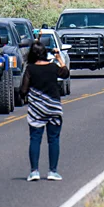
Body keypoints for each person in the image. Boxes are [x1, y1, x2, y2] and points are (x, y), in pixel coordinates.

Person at [20, 40, 69, 181]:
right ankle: (53, 171)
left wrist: (25, 96)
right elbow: (65, 73)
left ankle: (34, 171)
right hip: (54, 108)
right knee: (53, 139)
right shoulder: (53, 67)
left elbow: (23, 90)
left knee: (35, 139)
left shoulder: (30, 69)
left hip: (37, 110)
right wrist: (59, 58)